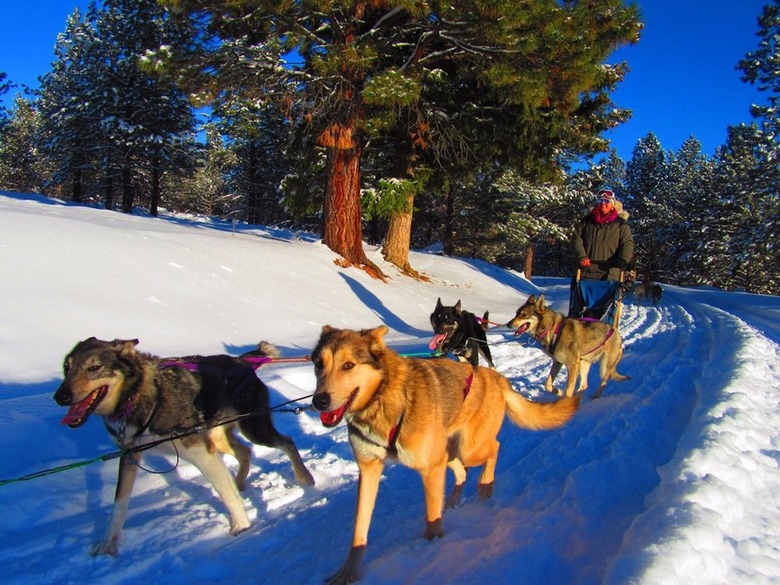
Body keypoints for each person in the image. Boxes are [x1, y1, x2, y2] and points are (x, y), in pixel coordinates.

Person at [569, 188, 634, 318]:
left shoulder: (620, 224)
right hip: (586, 272)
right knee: (577, 311)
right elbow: (576, 240)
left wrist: (622, 260)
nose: (603, 204)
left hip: (610, 274)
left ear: (613, 204)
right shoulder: (586, 222)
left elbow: (627, 244)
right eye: (600, 200)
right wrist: (582, 256)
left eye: (607, 201)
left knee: (606, 313)